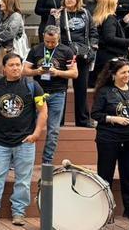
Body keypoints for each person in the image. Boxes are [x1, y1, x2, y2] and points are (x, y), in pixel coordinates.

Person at [0, 53, 47, 226]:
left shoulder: (32, 85)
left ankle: (19, 213)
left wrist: (36, 134)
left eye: (18, 65)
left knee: (23, 180)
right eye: (11, 65)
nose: (15, 68)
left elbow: (43, 111)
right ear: (3, 68)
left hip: (25, 141)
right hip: (1, 141)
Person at [91, 57, 129, 223]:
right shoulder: (105, 91)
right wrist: (113, 119)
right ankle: (105, 209)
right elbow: (95, 114)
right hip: (108, 139)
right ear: (113, 74)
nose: (127, 75)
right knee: (105, 175)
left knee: (128, 175)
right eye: (123, 72)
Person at [23, 25, 77, 165]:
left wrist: (57, 72)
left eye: (53, 42)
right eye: (47, 41)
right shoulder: (36, 49)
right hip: (38, 93)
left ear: (58, 38)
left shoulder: (67, 51)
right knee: (30, 126)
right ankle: (25, 159)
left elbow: (74, 73)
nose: (50, 44)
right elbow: (25, 70)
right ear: (43, 36)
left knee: (53, 130)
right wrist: (38, 71)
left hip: (57, 93)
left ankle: (47, 161)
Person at [47, 0, 98, 127]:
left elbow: (93, 32)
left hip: (82, 55)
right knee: (60, 88)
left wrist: (93, 49)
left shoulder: (85, 13)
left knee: (81, 88)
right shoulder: (57, 14)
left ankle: (83, 120)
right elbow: (48, 32)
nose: (69, 0)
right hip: (63, 55)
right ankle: (59, 120)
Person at [93, 0, 129, 82]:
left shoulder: (100, 18)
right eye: (115, 4)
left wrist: (123, 22)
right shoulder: (110, 18)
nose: (117, 6)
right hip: (110, 56)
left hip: (102, 56)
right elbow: (109, 38)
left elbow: (108, 31)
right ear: (110, 5)